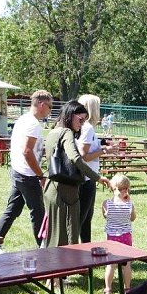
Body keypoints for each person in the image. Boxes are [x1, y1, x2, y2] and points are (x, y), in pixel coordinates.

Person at [42, 100, 112, 248]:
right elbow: (75, 158)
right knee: (69, 237)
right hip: (65, 192)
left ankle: (52, 266)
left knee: (53, 234)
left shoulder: (52, 132)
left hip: (51, 188)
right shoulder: (66, 132)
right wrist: (97, 177)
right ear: (70, 115)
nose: (81, 124)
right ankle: (71, 266)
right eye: (80, 120)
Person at [0, 90, 53, 249]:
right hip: (27, 175)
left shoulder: (23, 119)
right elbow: (27, 151)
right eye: (49, 106)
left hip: (18, 171)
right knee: (38, 212)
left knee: (12, 210)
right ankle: (44, 248)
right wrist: (40, 175)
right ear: (41, 104)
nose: (50, 110)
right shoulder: (33, 124)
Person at [76, 94, 115, 244]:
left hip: (84, 177)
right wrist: (105, 150)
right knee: (82, 218)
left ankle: (85, 249)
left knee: (85, 218)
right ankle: (75, 253)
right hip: (86, 177)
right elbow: (83, 155)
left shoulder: (81, 126)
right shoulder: (88, 128)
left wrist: (102, 143)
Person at [102, 173, 136, 294]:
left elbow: (105, 216)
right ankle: (127, 288)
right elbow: (133, 218)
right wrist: (130, 204)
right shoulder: (129, 204)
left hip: (112, 238)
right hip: (126, 236)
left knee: (111, 265)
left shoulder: (106, 204)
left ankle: (108, 289)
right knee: (126, 264)